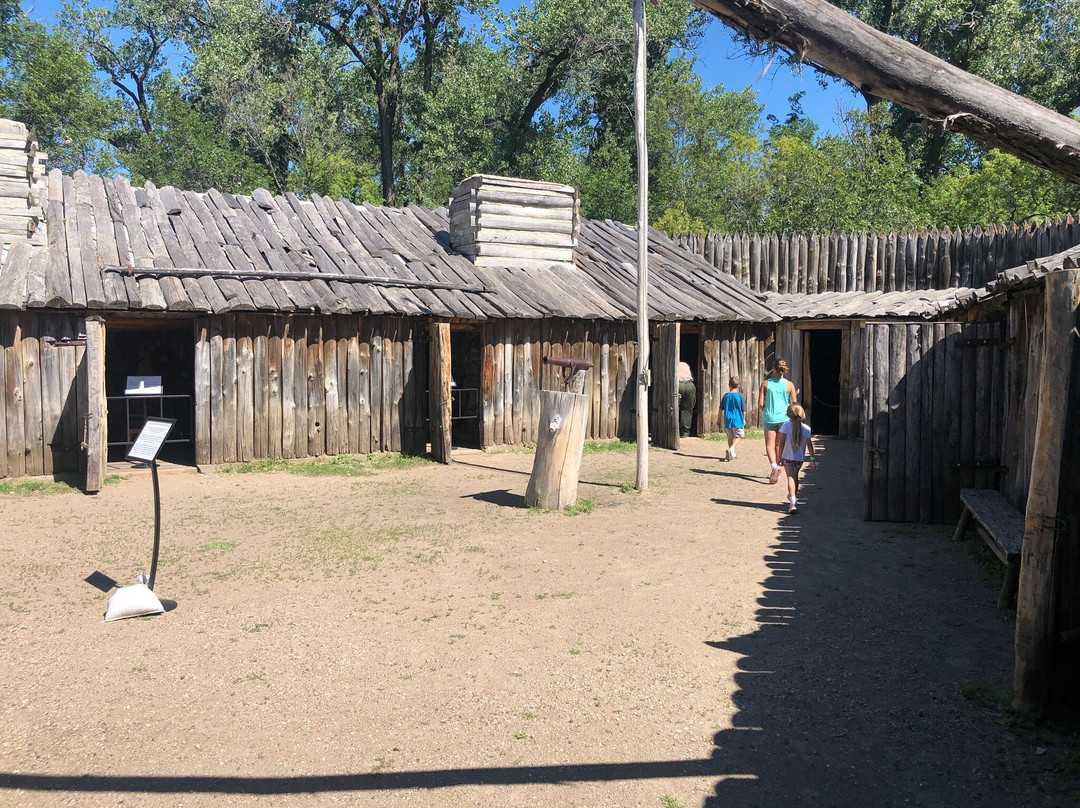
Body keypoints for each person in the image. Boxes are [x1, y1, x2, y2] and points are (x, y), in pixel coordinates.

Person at [758, 359, 797, 484]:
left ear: (774, 370)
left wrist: (766, 410)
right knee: (779, 444)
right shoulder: (789, 385)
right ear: (784, 371)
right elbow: (794, 404)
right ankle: (780, 463)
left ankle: (774, 466)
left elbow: (760, 403)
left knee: (769, 444)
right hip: (784, 418)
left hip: (770, 417)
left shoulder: (765, 383)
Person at [776, 403, 816, 514]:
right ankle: (794, 497)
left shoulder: (785, 426)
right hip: (799, 458)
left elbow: (781, 441)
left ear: (788, 415)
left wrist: (779, 456)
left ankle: (792, 501)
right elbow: (809, 444)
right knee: (795, 477)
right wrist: (812, 459)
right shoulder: (807, 429)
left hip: (787, 456)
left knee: (790, 477)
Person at [718, 375, 746, 461]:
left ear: (729, 385)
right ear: (738, 386)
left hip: (728, 419)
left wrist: (719, 418)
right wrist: (744, 419)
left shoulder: (726, 396)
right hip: (737, 419)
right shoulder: (740, 396)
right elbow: (744, 409)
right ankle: (732, 449)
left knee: (730, 437)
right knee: (739, 436)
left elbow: (720, 408)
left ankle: (732, 454)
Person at [677, 360, 696, 438]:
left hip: (678, 384)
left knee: (674, 408)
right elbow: (692, 377)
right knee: (687, 409)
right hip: (689, 385)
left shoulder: (673, 364)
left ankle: (673, 430)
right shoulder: (686, 364)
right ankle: (685, 433)